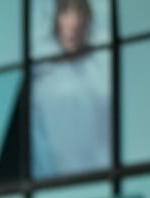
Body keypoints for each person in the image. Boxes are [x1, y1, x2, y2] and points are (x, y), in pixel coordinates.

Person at [29, 0, 111, 179]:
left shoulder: (103, 69)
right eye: (64, 12)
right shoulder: (40, 77)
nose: (73, 23)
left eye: (79, 12)